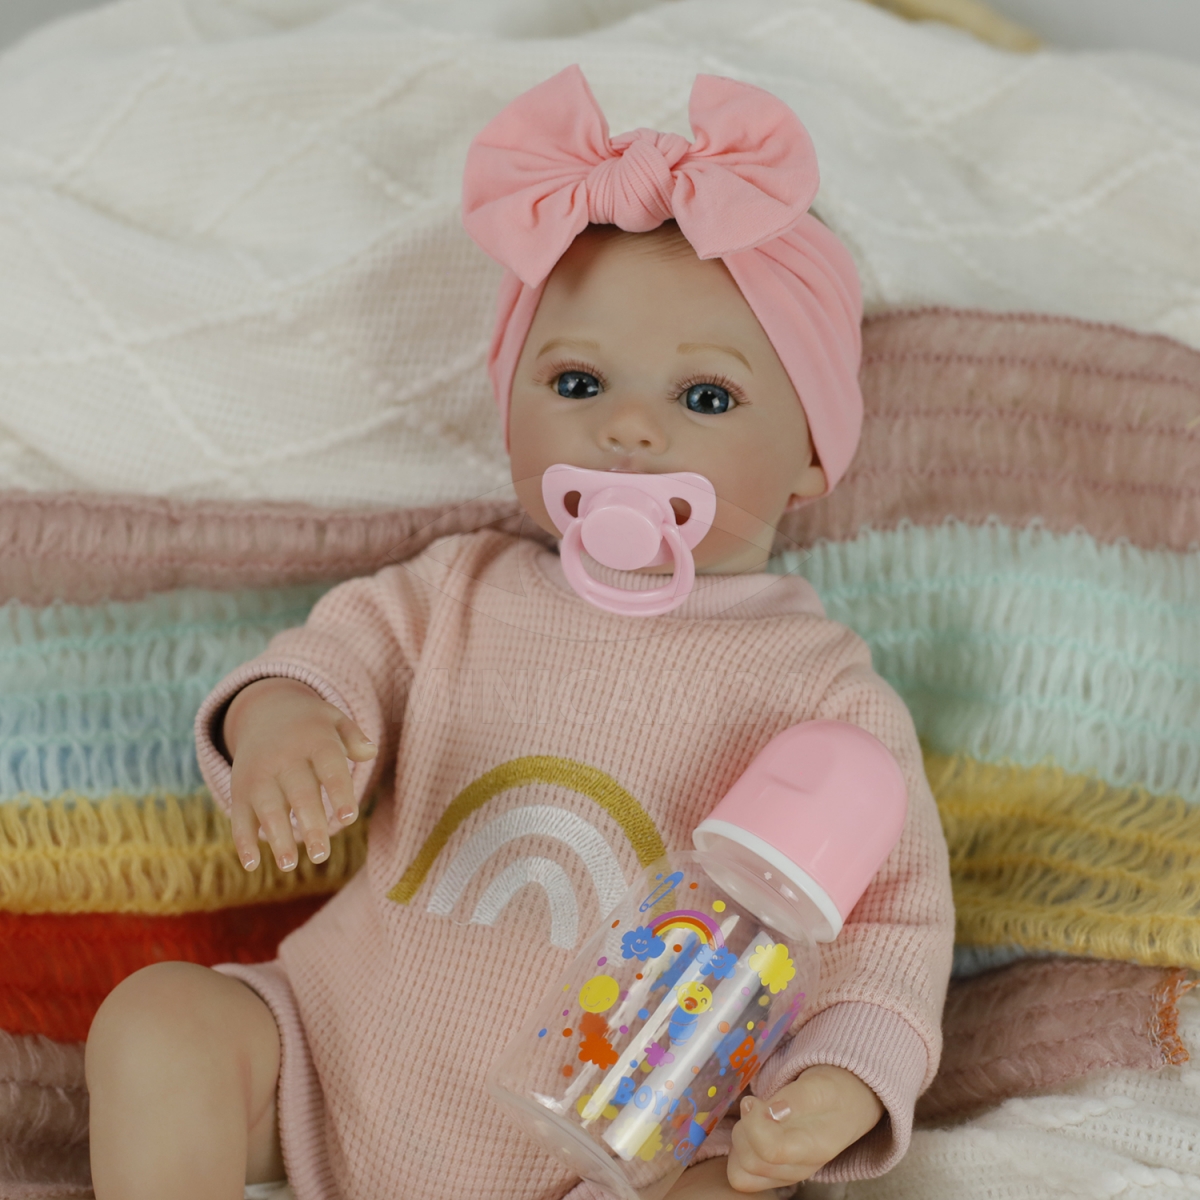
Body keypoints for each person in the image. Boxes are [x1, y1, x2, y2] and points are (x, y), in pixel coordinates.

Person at [85, 66, 954, 1200]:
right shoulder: (460, 590)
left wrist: (843, 1082)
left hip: (628, 1135)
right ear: (511, 410)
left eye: (705, 398)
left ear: (811, 457)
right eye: (578, 382)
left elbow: (896, 927)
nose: (628, 429)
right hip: (332, 1066)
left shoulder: (824, 697)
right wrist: (283, 724)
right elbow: (330, 659)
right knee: (158, 1019)